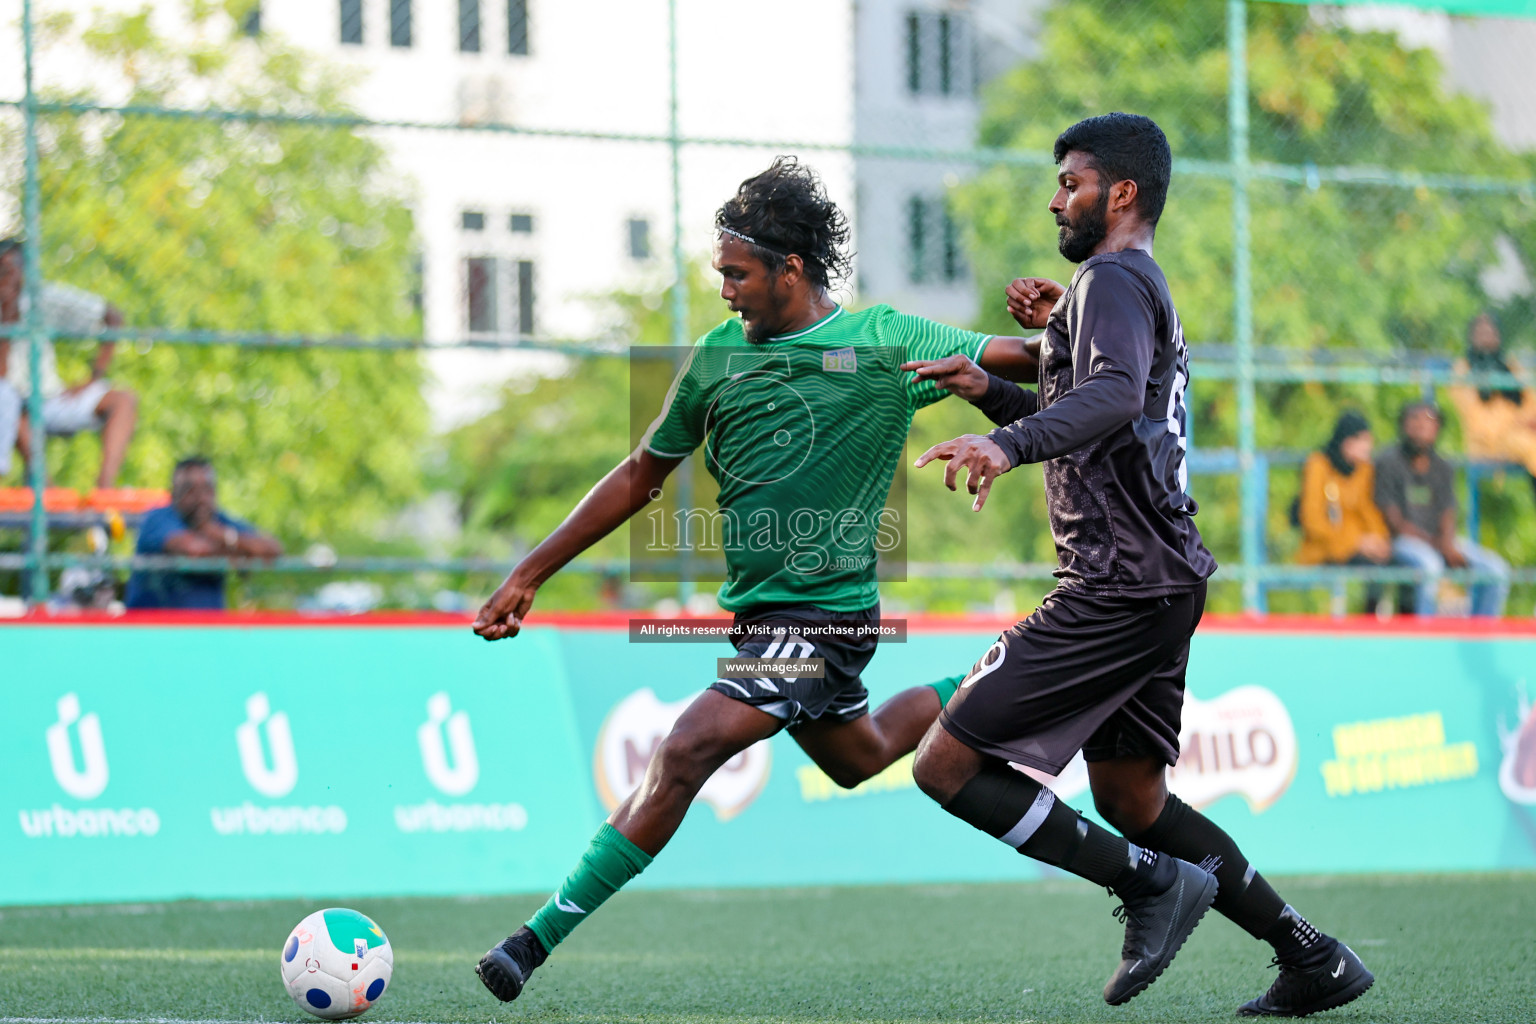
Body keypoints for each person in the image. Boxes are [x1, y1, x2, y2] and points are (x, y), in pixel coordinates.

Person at [468, 157, 1042, 1006]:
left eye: (736, 273)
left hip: (828, 619)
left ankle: (532, 941)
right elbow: (638, 475)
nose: (725, 288)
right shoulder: (714, 357)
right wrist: (530, 571)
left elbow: (1026, 363)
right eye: (720, 273)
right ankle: (998, 671)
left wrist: (1069, 323)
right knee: (864, 755)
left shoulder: (884, 340)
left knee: (685, 749)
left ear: (791, 269)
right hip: (764, 620)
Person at [903, 113, 1374, 1016]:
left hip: (1117, 584)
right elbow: (1121, 412)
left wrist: (1008, 442)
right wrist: (1002, 389)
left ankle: (1150, 886)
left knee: (944, 766)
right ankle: (1313, 956)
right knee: (1130, 793)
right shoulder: (1125, 285)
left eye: (1071, 182)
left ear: (1121, 193)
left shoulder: (1111, 277)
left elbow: (1114, 397)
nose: (1056, 199)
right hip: (1159, 578)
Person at [0, 237, 139, 488]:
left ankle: (105, 487)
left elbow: (112, 316)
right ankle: (47, 490)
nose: (5, 280)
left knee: (123, 400)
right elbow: (2, 377)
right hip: (11, 406)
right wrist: (7, 323)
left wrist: (93, 377)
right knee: (8, 399)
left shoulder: (41, 297)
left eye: (10, 271)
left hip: (49, 397)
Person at [1376, 400, 1509, 617]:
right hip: (1401, 542)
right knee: (1431, 566)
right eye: (1414, 421)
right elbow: (1394, 522)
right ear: (1403, 425)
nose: (1421, 428)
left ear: (1437, 428)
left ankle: (1480, 636)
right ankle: (1427, 638)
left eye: (1428, 423)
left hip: (1440, 542)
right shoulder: (1388, 462)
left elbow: (1448, 512)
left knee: (1495, 570)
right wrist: (1437, 545)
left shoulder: (1443, 467)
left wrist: (1447, 543)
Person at [124, 457, 283, 609]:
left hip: (209, 631)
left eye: (207, 489)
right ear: (174, 493)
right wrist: (241, 552)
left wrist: (222, 535)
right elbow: (194, 550)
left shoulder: (219, 520)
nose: (200, 498)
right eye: (190, 490)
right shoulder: (158, 517)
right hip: (153, 630)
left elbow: (272, 549)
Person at [1295, 411, 1392, 611]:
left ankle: (1379, 627)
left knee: (1394, 566)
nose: (1369, 448)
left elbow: (1368, 511)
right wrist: (1356, 542)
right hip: (1324, 548)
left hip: (1357, 548)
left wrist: (1378, 539)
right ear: (1347, 442)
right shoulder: (1319, 465)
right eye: (1363, 441)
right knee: (1371, 570)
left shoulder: (1364, 470)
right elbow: (1312, 519)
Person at [1447, 310, 1536, 502]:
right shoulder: (1463, 369)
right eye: (1481, 333)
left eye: (1491, 333)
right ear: (1472, 337)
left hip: (1519, 433)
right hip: (1488, 441)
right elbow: (1469, 413)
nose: (1486, 338)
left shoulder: (1510, 366)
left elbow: (1530, 404)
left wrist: (1524, 423)